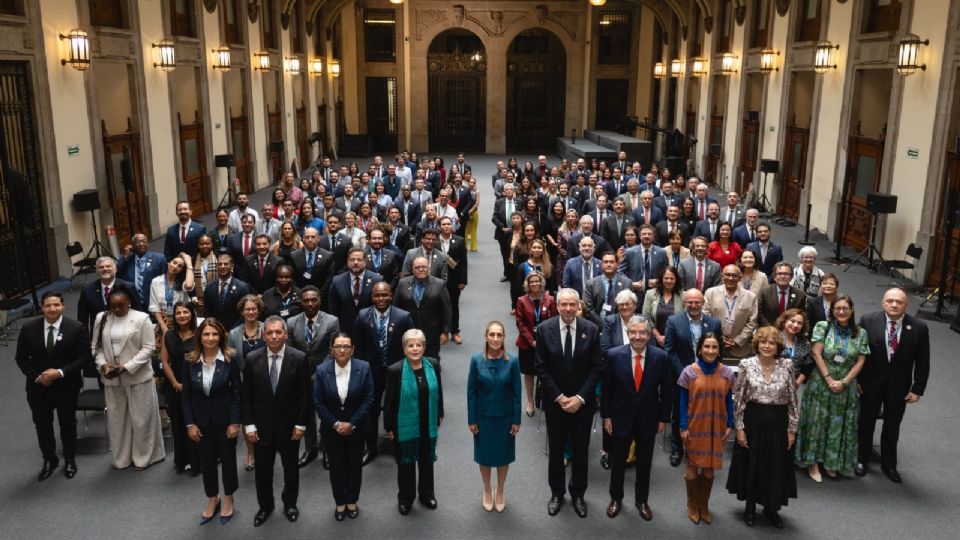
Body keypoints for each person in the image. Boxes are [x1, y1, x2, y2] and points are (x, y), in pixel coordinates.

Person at [535, 288, 603, 518]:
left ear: (578, 306)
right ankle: (556, 493)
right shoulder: (544, 329)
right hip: (556, 404)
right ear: (557, 306)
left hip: (582, 405)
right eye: (563, 304)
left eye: (572, 304)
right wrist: (560, 397)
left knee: (581, 451)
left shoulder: (591, 330)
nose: (568, 309)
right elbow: (541, 368)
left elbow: (597, 368)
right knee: (556, 451)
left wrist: (580, 398)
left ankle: (578, 494)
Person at [601, 315, 673, 521]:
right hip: (620, 417)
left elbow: (667, 391)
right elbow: (606, 391)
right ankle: (615, 498)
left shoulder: (661, 357)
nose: (638, 336)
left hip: (648, 418)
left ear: (649, 335)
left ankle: (642, 501)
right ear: (628, 333)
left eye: (642, 332)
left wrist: (663, 418)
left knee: (644, 463)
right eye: (633, 332)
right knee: (617, 462)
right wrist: (606, 416)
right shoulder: (614, 355)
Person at [242, 316, 311, 527]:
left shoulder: (299, 358)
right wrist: (249, 425)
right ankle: (265, 506)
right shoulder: (252, 358)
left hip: (290, 427)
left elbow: (305, 396)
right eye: (269, 332)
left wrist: (301, 425)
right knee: (263, 471)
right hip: (261, 428)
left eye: (278, 332)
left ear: (285, 334)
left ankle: (290, 504)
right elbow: (246, 396)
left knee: (291, 470)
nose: (273, 336)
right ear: (263, 335)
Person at [15, 291, 92, 481]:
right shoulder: (28, 328)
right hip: (38, 388)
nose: (52, 308)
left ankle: (69, 459)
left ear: (63, 306)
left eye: (56, 305)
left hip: (67, 386)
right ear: (42, 308)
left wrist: (60, 372)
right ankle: (49, 459)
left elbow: (84, 357)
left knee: (68, 424)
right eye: (48, 305)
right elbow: (21, 358)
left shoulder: (76, 328)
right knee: (42, 425)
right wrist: (38, 377)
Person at [727, 327, 799, 529]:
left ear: (778, 346)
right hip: (753, 422)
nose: (767, 346)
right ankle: (750, 507)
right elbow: (739, 398)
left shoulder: (787, 365)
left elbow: (793, 399)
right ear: (757, 344)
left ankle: (771, 508)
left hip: (778, 424)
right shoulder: (746, 364)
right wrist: (739, 428)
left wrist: (792, 429)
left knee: (775, 467)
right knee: (752, 465)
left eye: (772, 343)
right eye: (763, 342)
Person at [857, 288, 929, 483]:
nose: (894, 305)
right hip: (869, 384)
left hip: (899, 387)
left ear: (906, 305)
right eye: (890, 301)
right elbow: (858, 354)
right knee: (865, 422)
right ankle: (861, 459)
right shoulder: (868, 320)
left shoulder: (919, 327)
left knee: (892, 425)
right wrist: (856, 380)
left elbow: (923, 361)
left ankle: (889, 464)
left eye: (899, 302)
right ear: (883, 302)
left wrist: (917, 389)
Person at [794, 294, 868, 481]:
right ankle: (812, 464)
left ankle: (831, 462)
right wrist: (828, 379)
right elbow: (816, 353)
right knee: (817, 422)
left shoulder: (860, 333)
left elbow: (860, 360)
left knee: (837, 424)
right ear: (832, 311)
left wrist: (844, 382)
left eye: (845, 308)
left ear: (852, 310)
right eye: (838, 308)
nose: (841, 311)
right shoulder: (823, 327)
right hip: (821, 382)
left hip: (846, 386)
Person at [91, 287, 165, 470]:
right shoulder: (101, 318)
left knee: (141, 419)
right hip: (112, 378)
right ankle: (122, 458)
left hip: (138, 377)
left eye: (120, 306)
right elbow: (95, 347)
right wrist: (103, 365)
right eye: (113, 306)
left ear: (129, 303)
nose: (116, 310)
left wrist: (127, 367)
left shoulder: (141, 318)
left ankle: (145, 457)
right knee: (117, 420)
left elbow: (148, 348)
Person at [182, 318, 242, 525]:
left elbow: (237, 393)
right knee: (207, 463)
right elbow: (186, 397)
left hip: (225, 421)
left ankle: (228, 498)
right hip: (200, 423)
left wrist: (235, 422)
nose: (210, 338)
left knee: (228, 461)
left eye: (215, 334)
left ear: (221, 337)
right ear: (199, 337)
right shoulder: (190, 360)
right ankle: (212, 498)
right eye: (206, 334)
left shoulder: (230, 358)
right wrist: (190, 424)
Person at [383, 329, 445, 515]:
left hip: (428, 422)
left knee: (427, 459)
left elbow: (438, 391)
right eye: (411, 345)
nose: (415, 349)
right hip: (404, 426)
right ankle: (405, 498)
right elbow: (389, 402)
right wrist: (389, 426)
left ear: (424, 347)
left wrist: (440, 412)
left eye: (419, 345)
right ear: (404, 349)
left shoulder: (433, 365)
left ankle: (427, 494)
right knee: (406, 463)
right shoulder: (395, 370)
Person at [314, 334, 375, 521]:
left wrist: (352, 423)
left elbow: (369, 399)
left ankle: (352, 501)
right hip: (331, 430)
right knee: (336, 467)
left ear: (353, 349)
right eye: (338, 346)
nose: (342, 350)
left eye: (346, 346)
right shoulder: (322, 370)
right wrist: (335, 423)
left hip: (357, 429)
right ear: (331, 349)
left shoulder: (364, 368)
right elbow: (318, 402)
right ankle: (340, 502)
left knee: (355, 466)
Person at [353, 282, 415, 464]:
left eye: (384, 295)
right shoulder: (363, 316)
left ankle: (399, 446)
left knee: (398, 409)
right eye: (377, 295)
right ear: (372, 297)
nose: (381, 299)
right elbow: (357, 346)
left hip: (396, 370)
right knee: (370, 410)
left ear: (391, 295)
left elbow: (411, 345)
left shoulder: (403, 317)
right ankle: (371, 447)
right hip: (371, 372)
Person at [677, 332, 735, 524]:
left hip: (717, 427)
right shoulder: (689, 372)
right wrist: (683, 426)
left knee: (709, 470)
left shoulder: (727, 373)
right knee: (692, 468)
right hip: (695, 426)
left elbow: (729, 400)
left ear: (719, 350)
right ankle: (692, 504)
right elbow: (682, 402)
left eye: (714, 347)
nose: (710, 350)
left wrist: (730, 424)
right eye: (707, 346)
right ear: (700, 349)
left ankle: (704, 504)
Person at [664, 289, 723, 466]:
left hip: (707, 377)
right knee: (679, 412)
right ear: (685, 303)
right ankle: (677, 449)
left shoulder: (714, 323)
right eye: (690, 302)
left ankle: (701, 447)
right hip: (681, 376)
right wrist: (685, 373)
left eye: (697, 302)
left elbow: (719, 351)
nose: (694, 305)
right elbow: (669, 350)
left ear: (703, 303)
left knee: (703, 412)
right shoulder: (673, 321)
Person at [467, 321, 521, 513]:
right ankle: (488, 489)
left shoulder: (512, 361)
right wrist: (472, 419)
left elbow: (517, 393)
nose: (496, 339)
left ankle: (501, 490)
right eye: (492, 335)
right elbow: (471, 392)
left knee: (503, 456)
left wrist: (516, 420)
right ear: (486, 337)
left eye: (499, 335)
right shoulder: (476, 360)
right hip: (483, 418)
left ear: (504, 337)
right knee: (484, 456)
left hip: (505, 418)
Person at [286, 285, 341, 468]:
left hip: (325, 374)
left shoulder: (332, 321)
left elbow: (333, 351)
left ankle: (327, 448)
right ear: (301, 302)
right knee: (306, 412)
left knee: (326, 412)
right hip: (300, 375)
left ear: (319, 301)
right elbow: (291, 351)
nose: (310, 304)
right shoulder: (291, 322)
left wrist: (318, 373)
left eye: (313, 300)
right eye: (306, 300)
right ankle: (310, 449)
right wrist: (302, 374)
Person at [159, 302, 201, 475]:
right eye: (178, 313)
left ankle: (197, 460)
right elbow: (164, 361)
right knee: (178, 422)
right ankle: (182, 460)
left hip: (196, 384)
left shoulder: (199, 334)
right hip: (174, 384)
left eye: (186, 312)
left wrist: (190, 384)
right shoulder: (168, 335)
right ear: (174, 316)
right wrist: (175, 383)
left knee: (196, 422)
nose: (182, 315)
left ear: (192, 314)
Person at [226, 294, 266, 471]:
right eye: (247, 309)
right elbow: (229, 360)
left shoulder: (267, 328)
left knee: (264, 417)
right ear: (242, 312)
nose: (251, 312)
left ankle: (264, 450)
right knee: (246, 418)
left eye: (254, 309)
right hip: (242, 382)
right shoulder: (234, 334)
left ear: (259, 310)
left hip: (265, 381)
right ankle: (250, 452)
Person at [515, 272, 557, 417]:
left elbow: (554, 321)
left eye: (537, 281)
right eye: (531, 282)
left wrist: (543, 341)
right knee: (529, 373)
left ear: (541, 283)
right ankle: (530, 401)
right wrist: (531, 341)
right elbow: (520, 323)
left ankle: (546, 400)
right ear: (527, 284)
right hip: (527, 343)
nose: (534, 284)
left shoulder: (550, 300)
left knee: (547, 372)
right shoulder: (521, 300)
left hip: (546, 343)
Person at [393, 256, 452, 359]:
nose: (421, 269)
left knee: (431, 361)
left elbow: (446, 310)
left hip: (432, 332)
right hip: (408, 330)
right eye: (418, 267)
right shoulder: (403, 283)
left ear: (429, 268)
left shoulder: (439, 284)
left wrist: (445, 331)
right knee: (409, 359)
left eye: (424, 267)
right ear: (413, 269)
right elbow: (396, 307)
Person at [703, 264, 759, 360]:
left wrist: (738, 340)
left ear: (740, 278)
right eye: (728, 275)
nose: (730, 278)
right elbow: (705, 318)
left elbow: (752, 322)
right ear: (722, 276)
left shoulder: (750, 297)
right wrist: (719, 337)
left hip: (740, 348)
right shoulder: (710, 293)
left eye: (734, 275)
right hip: (714, 346)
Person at [327, 247, 383, 340]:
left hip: (370, 328)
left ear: (365, 261)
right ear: (348, 261)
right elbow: (333, 308)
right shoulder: (337, 281)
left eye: (359, 259)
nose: (356, 262)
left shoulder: (377, 280)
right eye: (352, 259)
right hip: (345, 330)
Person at [77, 257, 140, 333]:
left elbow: (138, 312)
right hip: (99, 334)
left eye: (108, 266)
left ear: (115, 269)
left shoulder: (128, 287)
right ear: (97, 271)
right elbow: (82, 319)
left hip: (126, 332)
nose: (105, 269)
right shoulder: (87, 290)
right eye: (101, 267)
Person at [202, 253, 253, 329]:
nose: (222, 267)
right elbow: (207, 313)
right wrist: (215, 329)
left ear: (232, 266)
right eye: (220, 264)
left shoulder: (242, 287)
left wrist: (232, 332)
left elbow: (244, 313)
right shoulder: (209, 287)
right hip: (215, 330)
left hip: (236, 330)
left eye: (226, 264)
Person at [438, 216, 468, 343]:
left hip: (454, 280)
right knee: (438, 306)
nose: (446, 226)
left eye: (448, 224)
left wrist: (463, 280)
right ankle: (442, 332)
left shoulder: (459, 240)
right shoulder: (434, 241)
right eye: (444, 224)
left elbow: (464, 262)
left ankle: (455, 331)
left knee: (454, 306)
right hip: (437, 280)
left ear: (452, 226)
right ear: (439, 226)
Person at [117, 233, 167, 310]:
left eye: (143, 241)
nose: (141, 244)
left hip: (153, 301)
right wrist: (125, 257)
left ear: (147, 244)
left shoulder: (159, 258)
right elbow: (117, 275)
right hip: (134, 301)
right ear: (132, 245)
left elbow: (165, 280)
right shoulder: (127, 260)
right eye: (137, 242)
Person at [148, 254, 195, 334]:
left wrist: (189, 263)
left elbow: (189, 286)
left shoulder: (183, 282)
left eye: (180, 266)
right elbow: (155, 307)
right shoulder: (156, 281)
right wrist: (163, 326)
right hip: (163, 320)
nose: (175, 267)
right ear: (169, 262)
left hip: (182, 319)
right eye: (174, 262)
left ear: (182, 270)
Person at [641, 266, 685, 349]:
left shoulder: (683, 296)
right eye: (666, 278)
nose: (669, 281)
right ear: (661, 279)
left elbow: (685, 319)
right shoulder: (650, 294)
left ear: (676, 279)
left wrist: (669, 337)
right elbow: (645, 316)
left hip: (676, 339)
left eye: (672, 278)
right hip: (653, 340)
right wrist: (658, 336)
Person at [584, 251, 632, 318]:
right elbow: (588, 309)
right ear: (602, 264)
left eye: (611, 262)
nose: (608, 264)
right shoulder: (591, 284)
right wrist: (600, 323)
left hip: (618, 321)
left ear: (617, 264)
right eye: (606, 262)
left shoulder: (626, 283)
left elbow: (628, 307)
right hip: (596, 321)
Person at [758, 262, 806, 327]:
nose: (783, 276)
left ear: (791, 277)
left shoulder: (800, 295)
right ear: (774, 276)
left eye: (786, 274)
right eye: (779, 274)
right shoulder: (764, 292)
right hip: (767, 329)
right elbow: (760, 314)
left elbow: (801, 316)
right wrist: (771, 329)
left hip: (790, 330)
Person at [776, 309, 813, 391]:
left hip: (794, 385)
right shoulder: (774, 339)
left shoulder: (804, 343)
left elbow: (808, 366)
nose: (795, 325)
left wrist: (797, 383)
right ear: (784, 321)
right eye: (792, 321)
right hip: (773, 383)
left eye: (799, 323)